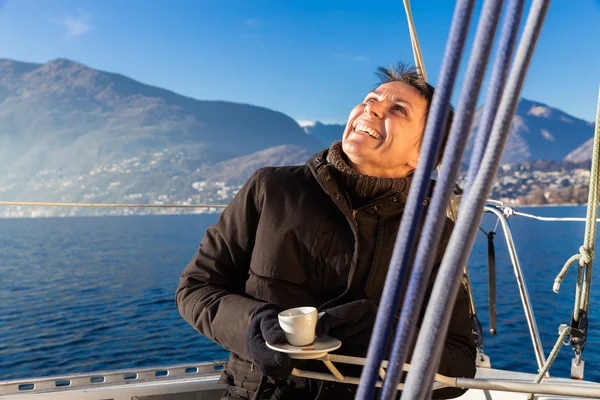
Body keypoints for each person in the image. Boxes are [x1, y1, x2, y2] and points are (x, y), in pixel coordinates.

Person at [176, 63, 476, 399]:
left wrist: (391, 337)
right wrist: (252, 325)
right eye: (370, 99)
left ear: (423, 155)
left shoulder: (434, 233)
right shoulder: (271, 189)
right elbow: (196, 288)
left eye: (397, 109)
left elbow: (459, 366)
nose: (372, 108)